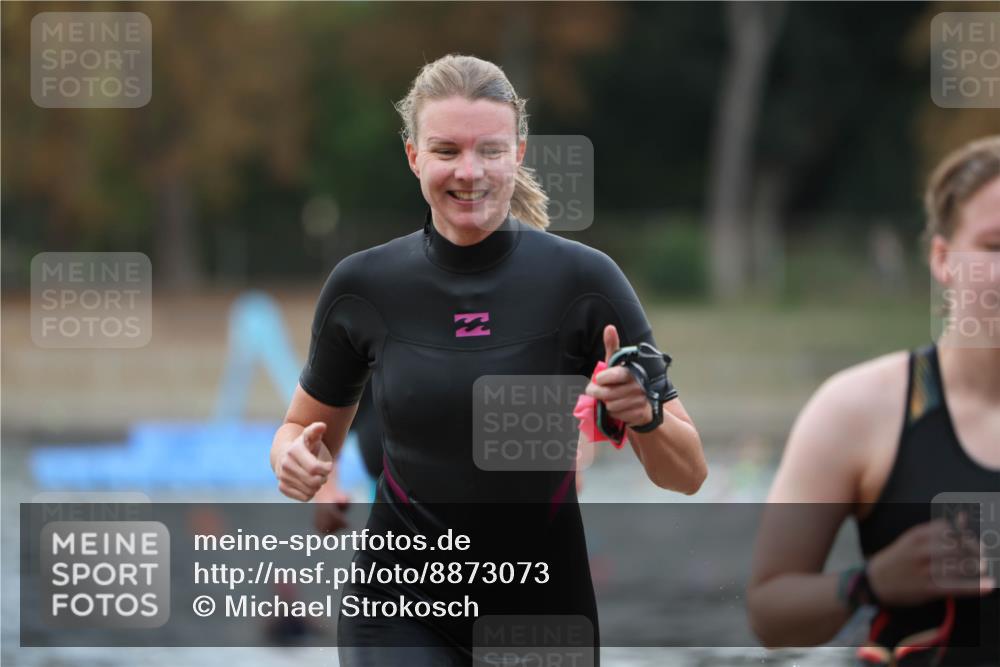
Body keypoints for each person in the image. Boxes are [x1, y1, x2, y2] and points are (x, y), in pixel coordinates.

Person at [270, 53, 707, 666]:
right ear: (413, 156)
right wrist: (292, 457)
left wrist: (645, 416)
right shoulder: (363, 286)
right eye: (446, 150)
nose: (468, 172)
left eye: (490, 150)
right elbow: (301, 430)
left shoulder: (584, 283)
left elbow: (686, 474)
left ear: (519, 153)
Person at [747, 136, 1000, 665]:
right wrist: (874, 582)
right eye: (995, 247)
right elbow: (770, 614)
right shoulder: (859, 409)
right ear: (942, 258)